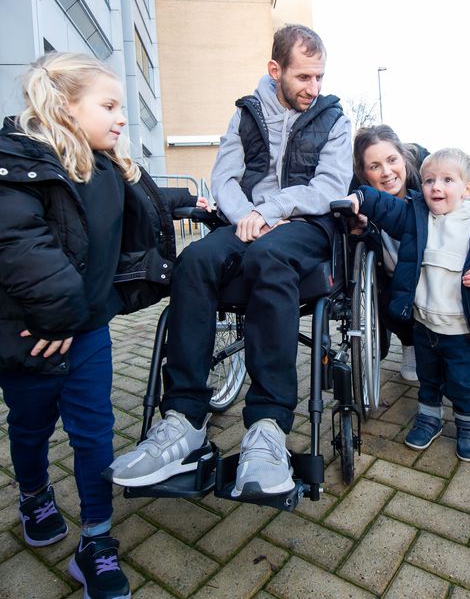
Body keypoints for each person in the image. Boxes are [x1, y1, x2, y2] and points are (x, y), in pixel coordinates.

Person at [0, 52, 193, 599]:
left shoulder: (106, 167)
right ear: (67, 106)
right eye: (110, 105)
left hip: (87, 331)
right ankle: (34, 495)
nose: (122, 118)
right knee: (30, 425)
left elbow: (141, 205)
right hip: (33, 335)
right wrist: (59, 314)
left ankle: (96, 539)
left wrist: (196, 205)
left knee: (94, 434)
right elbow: (17, 244)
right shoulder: (8, 168)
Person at [107, 25, 353, 498]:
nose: (313, 88)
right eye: (304, 77)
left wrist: (271, 212)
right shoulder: (246, 114)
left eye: (319, 77)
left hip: (307, 224)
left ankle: (268, 424)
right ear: (275, 70)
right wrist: (246, 217)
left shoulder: (334, 119)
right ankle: (183, 419)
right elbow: (224, 178)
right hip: (246, 224)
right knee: (195, 260)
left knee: (269, 258)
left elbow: (329, 187)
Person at [345, 148, 470, 461]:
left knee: (462, 382)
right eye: (428, 181)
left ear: (467, 188)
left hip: (461, 329)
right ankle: (429, 416)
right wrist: (361, 198)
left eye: (447, 180)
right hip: (423, 324)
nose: (435, 187)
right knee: (428, 378)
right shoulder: (417, 217)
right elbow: (387, 207)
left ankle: (468, 423)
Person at [352, 125, 423, 380]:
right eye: (375, 166)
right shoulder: (359, 200)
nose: (387, 172)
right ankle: (409, 342)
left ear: (403, 157)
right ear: (364, 174)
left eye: (392, 160)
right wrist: (356, 231)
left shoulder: (429, 185)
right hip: (390, 282)